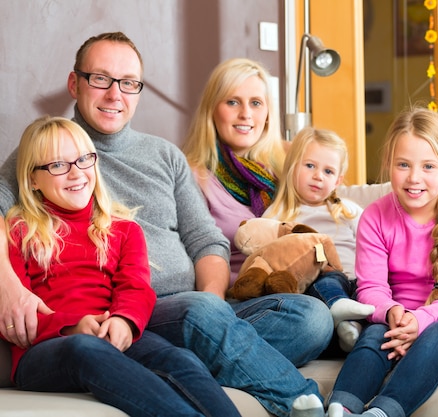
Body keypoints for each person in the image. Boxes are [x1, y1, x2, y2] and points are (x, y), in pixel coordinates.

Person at [0, 32, 324, 417]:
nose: (114, 94)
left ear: (138, 90)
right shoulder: (48, 150)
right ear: (75, 84)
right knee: (199, 318)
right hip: (117, 307)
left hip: (182, 307)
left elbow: (207, 241)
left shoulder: (164, 156)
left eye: (128, 83)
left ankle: (205, 344)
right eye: (100, 79)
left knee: (312, 318)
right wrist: (7, 285)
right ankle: (288, 393)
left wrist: (213, 306)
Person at [4, 115, 241, 417]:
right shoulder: (19, 233)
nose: (76, 173)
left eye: (83, 160)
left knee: (181, 359)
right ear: (32, 179)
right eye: (58, 165)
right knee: (85, 348)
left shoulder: (124, 230)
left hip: (110, 333)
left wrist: (124, 321)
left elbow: (136, 288)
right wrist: (73, 326)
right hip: (47, 350)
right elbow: (18, 307)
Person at [292, 107, 438, 417]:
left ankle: (382, 413)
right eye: (403, 165)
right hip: (397, 320)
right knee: (374, 335)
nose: (414, 178)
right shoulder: (374, 215)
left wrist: (422, 320)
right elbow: (370, 288)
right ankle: (339, 409)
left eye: (428, 166)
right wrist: (393, 312)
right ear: (389, 165)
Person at [183, 57, 333, 362]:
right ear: (213, 109)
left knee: (333, 310)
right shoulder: (192, 175)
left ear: (267, 113)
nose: (245, 114)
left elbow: (332, 217)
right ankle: (212, 349)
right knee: (314, 320)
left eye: (255, 103)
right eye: (232, 102)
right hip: (237, 300)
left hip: (295, 292)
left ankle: (215, 357)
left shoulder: (290, 164)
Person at [264, 126, 374, 352]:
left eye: (328, 172)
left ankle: (349, 324)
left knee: (364, 295)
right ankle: (342, 321)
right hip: (309, 286)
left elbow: (374, 245)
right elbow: (265, 252)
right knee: (324, 281)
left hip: (355, 282)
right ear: (293, 167)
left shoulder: (348, 211)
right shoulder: (278, 214)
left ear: (338, 181)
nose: (318, 176)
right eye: (310, 166)